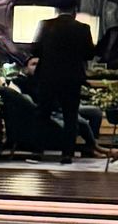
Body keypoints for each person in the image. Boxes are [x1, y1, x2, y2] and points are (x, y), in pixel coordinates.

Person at [28, 10, 94, 162]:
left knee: (42, 113)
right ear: (74, 12)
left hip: (48, 77)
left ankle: (37, 152)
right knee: (70, 116)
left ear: (57, 11)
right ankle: (67, 154)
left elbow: (35, 49)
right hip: (72, 79)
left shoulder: (45, 25)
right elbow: (89, 53)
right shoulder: (83, 28)